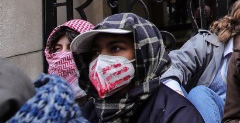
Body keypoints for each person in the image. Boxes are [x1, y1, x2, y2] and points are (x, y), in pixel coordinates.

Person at [71, 12, 204, 122]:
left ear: (144, 53)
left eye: (115, 48)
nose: (100, 60)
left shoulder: (176, 114)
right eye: (96, 52)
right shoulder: (88, 113)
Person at [161, 0, 240, 123]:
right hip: (198, 113)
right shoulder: (206, 44)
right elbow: (172, 67)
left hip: (235, 117)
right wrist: (178, 94)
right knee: (196, 93)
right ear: (238, 27)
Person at [44, 19, 96, 99]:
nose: (63, 54)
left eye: (70, 48)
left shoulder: (100, 102)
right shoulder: (45, 98)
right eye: (58, 48)